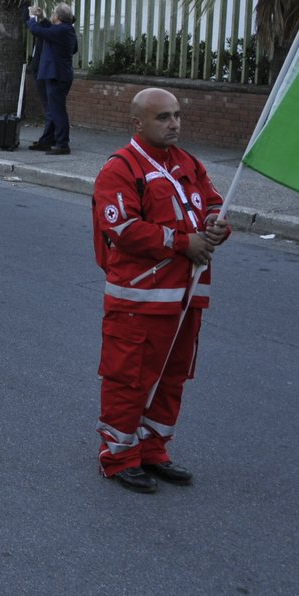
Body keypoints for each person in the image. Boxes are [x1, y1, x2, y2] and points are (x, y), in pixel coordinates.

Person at [91, 87, 230, 493]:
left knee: (172, 377)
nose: (174, 124)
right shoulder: (120, 168)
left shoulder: (188, 162)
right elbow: (122, 228)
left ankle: (153, 449)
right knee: (129, 378)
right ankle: (117, 456)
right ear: (138, 123)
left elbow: (214, 202)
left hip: (186, 297)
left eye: (176, 115)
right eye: (163, 117)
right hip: (139, 301)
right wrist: (184, 242)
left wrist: (219, 224)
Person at [27, 2, 78, 155]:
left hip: (57, 75)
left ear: (57, 16)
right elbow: (50, 30)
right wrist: (42, 17)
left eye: (53, 13)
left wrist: (31, 15)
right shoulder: (67, 30)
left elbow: (36, 30)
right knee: (54, 109)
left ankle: (62, 143)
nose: (52, 15)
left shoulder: (61, 30)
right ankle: (48, 140)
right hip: (60, 74)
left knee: (57, 110)